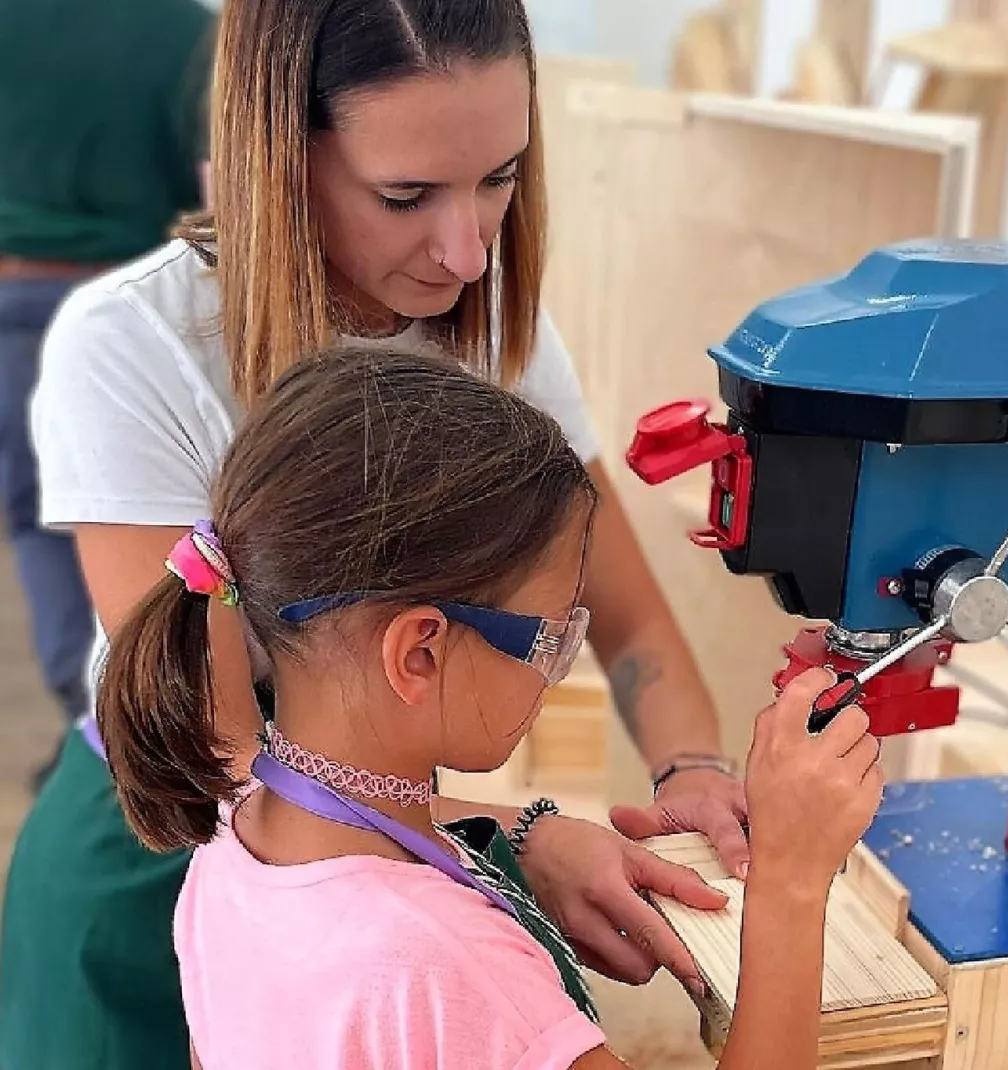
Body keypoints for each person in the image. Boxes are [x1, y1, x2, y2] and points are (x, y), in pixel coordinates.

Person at [2, 0, 764, 1065]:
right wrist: (510, 838)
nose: (464, 252)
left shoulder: (500, 330)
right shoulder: (135, 346)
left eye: (501, 177)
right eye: (406, 195)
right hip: (163, 853)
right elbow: (224, 758)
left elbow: (631, 632)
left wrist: (690, 772)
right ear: (280, 152)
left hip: (382, 854)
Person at [100, 347, 882, 1070]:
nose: (557, 666)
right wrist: (790, 881)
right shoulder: (444, 964)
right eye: (549, 635)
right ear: (419, 653)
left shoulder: (233, 832)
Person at [0, 0, 214, 781]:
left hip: (15, 301)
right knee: (156, 522)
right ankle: (152, 720)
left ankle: (91, 720)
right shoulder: (184, 31)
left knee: (42, 526)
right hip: (139, 311)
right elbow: (202, 185)